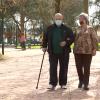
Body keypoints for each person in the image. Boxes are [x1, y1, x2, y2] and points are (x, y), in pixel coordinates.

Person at [42, 13, 74, 90]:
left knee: (64, 68)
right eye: (56, 19)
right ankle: (52, 83)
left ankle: (63, 83)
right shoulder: (49, 28)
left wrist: (66, 42)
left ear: (62, 19)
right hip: (52, 52)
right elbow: (45, 38)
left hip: (64, 52)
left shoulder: (67, 28)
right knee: (53, 68)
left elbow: (72, 37)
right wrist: (44, 46)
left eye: (59, 18)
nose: (58, 20)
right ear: (54, 19)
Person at [73, 12, 98, 90]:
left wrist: (94, 49)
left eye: (81, 18)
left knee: (87, 68)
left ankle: (86, 84)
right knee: (79, 67)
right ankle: (81, 80)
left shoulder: (90, 28)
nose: (79, 20)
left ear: (85, 19)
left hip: (88, 52)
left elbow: (95, 39)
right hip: (77, 51)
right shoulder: (77, 28)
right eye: (79, 18)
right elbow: (73, 38)